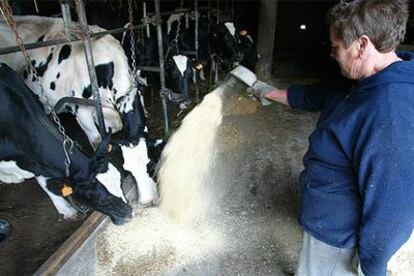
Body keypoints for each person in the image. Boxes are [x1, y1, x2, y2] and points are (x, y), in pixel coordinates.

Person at [250, 0, 414, 275]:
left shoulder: (389, 111)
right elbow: (318, 95)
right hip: (326, 220)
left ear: (362, 45)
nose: (333, 54)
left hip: (339, 239)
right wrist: (266, 91)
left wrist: (370, 264)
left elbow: (394, 209)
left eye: (336, 46)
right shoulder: (362, 81)